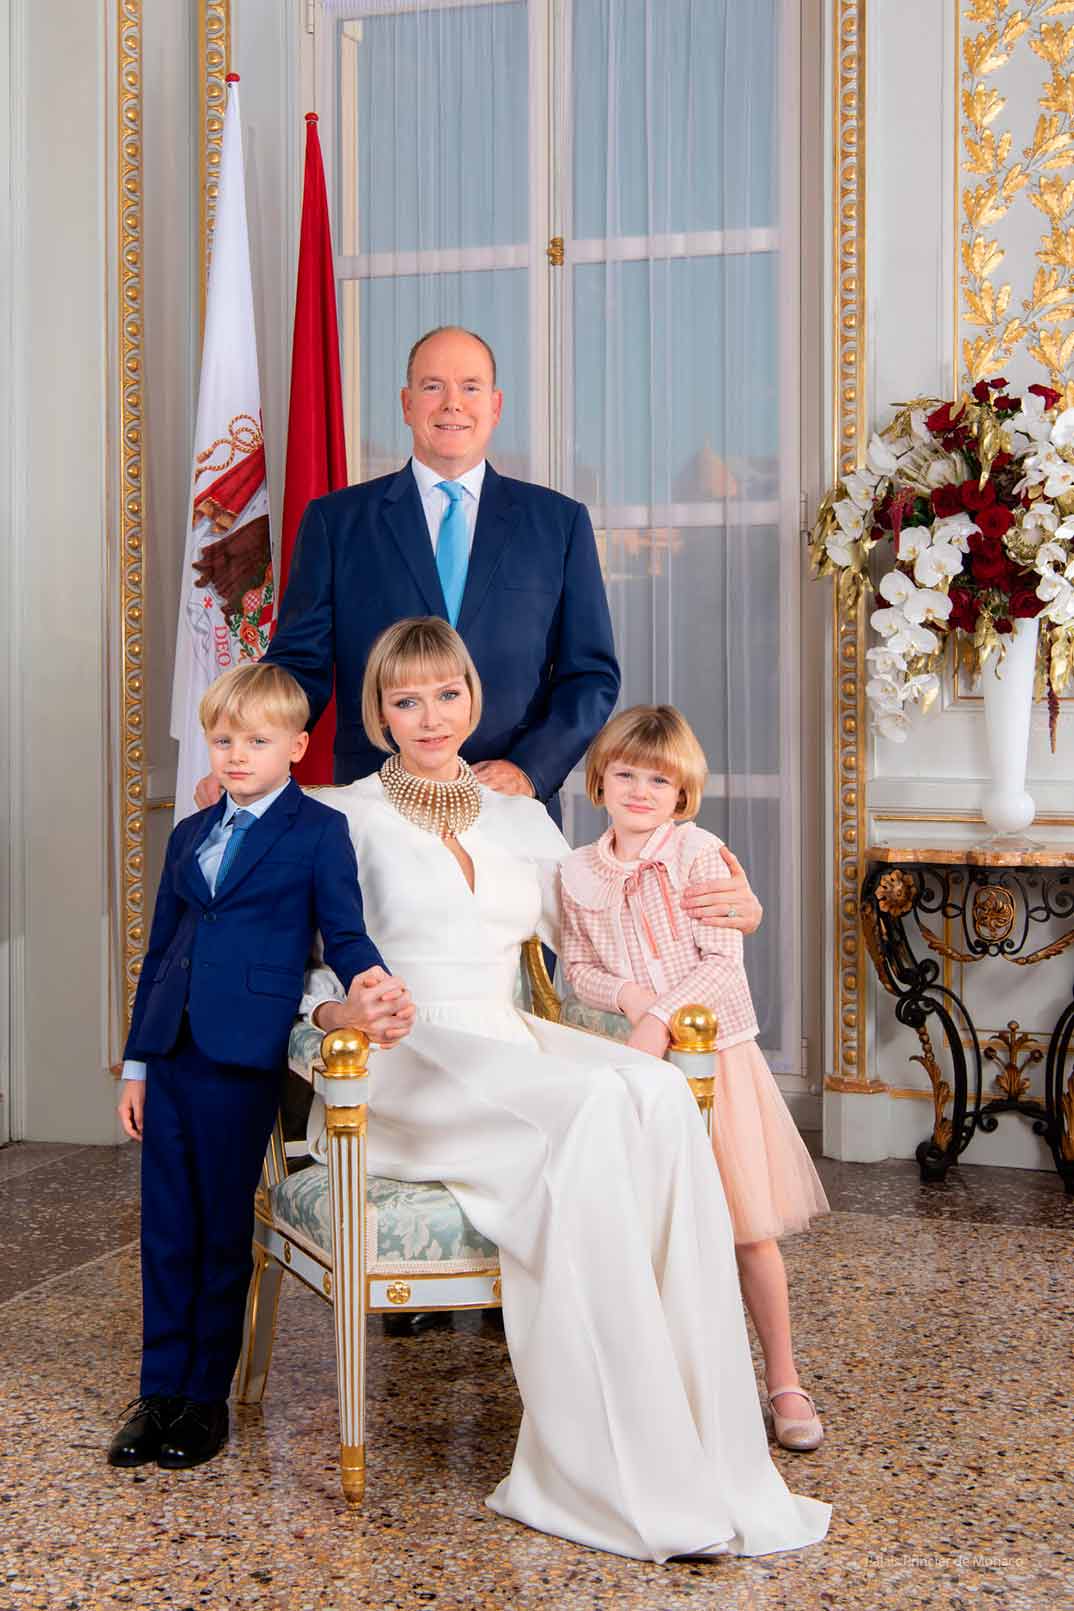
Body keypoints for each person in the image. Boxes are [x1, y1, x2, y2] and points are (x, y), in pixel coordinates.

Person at [303, 617, 830, 1562]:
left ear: (475, 696)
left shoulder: (519, 813)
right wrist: (341, 1017)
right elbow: (305, 963)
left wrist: (729, 906)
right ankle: (592, 1469)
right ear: (379, 711)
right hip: (409, 1055)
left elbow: (610, 921)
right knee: (589, 1108)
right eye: (405, 698)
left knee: (659, 1096)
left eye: (448, 692)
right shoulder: (342, 812)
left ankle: (702, 1445)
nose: (431, 715)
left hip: (514, 1040)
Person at [191, 325, 764, 937]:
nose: (452, 404)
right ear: (408, 403)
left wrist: (528, 771)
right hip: (378, 806)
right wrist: (250, 747)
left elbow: (589, 675)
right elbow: (298, 666)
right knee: (376, 987)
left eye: (470, 387)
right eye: (433, 386)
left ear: (495, 405)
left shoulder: (557, 523)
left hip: (508, 809)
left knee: (525, 995)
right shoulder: (338, 522)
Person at [108, 663, 395, 1472]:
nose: (237, 754)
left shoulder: (315, 832)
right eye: (223, 738)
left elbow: (343, 932)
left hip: (242, 1051)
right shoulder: (189, 834)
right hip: (172, 1051)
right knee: (166, 1226)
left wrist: (368, 980)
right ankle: (156, 1390)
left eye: (257, 740)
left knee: (220, 1227)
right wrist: (136, 1063)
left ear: (297, 746)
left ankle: (203, 1398)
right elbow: (160, 950)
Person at [559, 706, 831, 1453]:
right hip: (634, 1070)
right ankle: (659, 1385)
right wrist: (634, 1004)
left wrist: (662, 1021)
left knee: (746, 1229)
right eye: (626, 775)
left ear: (681, 794)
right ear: (599, 781)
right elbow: (578, 968)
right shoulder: (577, 870)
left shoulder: (701, 854)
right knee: (646, 1230)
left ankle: (783, 1378)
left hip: (717, 1062)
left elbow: (720, 962)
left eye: (659, 780)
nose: (641, 790)